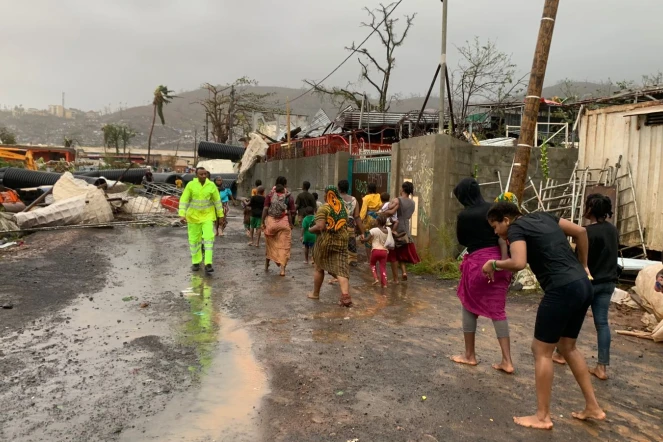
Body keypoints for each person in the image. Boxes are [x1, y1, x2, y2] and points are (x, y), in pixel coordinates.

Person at [482, 200, 605, 430]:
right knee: (568, 347)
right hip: (582, 285)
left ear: (506, 220)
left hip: (561, 289)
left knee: (541, 350)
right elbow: (580, 231)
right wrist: (584, 265)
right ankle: (593, 406)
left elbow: (518, 262)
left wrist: (494, 264)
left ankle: (542, 416)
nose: (495, 231)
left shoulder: (516, 228)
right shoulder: (544, 216)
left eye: (495, 226)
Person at [552, 194, 619, 381]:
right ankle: (601, 367)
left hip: (588, 283)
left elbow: (578, 260)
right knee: (602, 323)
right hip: (608, 283)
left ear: (590, 209)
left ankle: (559, 354)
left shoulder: (585, 232)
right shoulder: (613, 230)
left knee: (570, 318)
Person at [451, 178, 513, 373]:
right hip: (500, 263)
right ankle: (507, 361)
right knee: (498, 311)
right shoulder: (494, 209)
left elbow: (462, 240)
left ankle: (470, 355)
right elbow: (504, 236)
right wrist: (503, 264)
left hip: (477, 264)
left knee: (468, 306)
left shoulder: (464, 215)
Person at [307, 185, 353, 307]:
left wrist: (310, 229)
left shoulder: (324, 208)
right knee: (341, 268)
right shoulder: (343, 207)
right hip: (342, 240)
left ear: (327, 195)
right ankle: (345, 296)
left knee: (319, 267)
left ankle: (315, 293)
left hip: (326, 241)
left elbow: (320, 227)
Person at [178, 167, 224, 274]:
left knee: (209, 238)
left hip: (207, 216)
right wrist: (182, 214)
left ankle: (208, 263)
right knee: (194, 241)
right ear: (196, 175)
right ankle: (196, 262)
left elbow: (217, 201)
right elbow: (184, 200)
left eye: (205, 174)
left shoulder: (211, 185)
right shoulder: (190, 185)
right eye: (201, 174)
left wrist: (221, 216)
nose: (203, 176)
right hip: (193, 217)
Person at [383, 181, 420, 283]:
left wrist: (383, 212)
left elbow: (391, 211)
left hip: (396, 227)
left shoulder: (398, 200)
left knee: (393, 253)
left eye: (401, 188)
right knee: (402, 252)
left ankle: (395, 279)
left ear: (403, 189)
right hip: (406, 228)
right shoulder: (413, 203)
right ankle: (404, 272)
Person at [261, 177, 296, 276]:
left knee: (270, 244)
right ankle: (282, 270)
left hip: (271, 222)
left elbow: (265, 209)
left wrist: (262, 222)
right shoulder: (288, 196)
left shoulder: (270, 195)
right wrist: (291, 222)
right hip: (284, 222)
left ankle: (267, 264)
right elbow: (292, 211)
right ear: (285, 185)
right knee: (284, 246)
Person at [338, 180, 364, 266]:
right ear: (348, 188)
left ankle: (339, 260)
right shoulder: (354, 200)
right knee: (351, 241)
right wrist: (362, 232)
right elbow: (357, 216)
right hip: (350, 223)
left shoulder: (336, 199)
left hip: (339, 222)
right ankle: (352, 261)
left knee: (338, 241)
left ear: (338, 188)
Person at [361, 214, 391, 288]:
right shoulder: (387, 231)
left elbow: (367, 239)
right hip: (384, 252)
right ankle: (384, 284)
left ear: (377, 222)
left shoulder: (373, 230)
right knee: (383, 267)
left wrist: (362, 239)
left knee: (372, 264)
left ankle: (375, 278)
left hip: (375, 251)